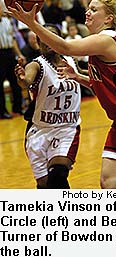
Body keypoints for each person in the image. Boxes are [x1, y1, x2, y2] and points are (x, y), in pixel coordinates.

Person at [7, 0, 116, 189]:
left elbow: (65, 47)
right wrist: (79, 77)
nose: (87, 12)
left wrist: (32, 23)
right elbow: (103, 84)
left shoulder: (106, 40)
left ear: (108, 19)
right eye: (88, 8)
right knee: (108, 182)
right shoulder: (98, 43)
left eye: (94, 9)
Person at [14, 24, 81, 189]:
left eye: (51, 36)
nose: (47, 41)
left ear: (59, 40)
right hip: (40, 130)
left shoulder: (71, 61)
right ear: (38, 42)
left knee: (58, 174)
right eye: (42, 37)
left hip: (67, 128)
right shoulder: (36, 65)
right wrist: (22, 79)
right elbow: (26, 81)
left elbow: (83, 76)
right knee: (45, 186)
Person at [0, 0, 25, 119]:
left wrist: (19, 54)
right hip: (0, 54)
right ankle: (2, 111)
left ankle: (18, 108)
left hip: (9, 52)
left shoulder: (7, 20)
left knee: (16, 81)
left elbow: (13, 39)